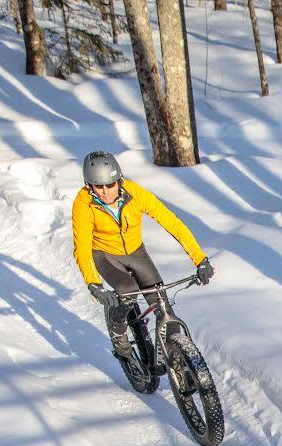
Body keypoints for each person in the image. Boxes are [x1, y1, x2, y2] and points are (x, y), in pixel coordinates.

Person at [71, 150, 213, 364]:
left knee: (162, 303)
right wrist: (94, 284)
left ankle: (180, 364)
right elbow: (81, 247)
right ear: (90, 187)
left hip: (136, 252)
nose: (106, 191)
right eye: (98, 187)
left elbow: (171, 222)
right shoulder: (83, 204)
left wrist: (200, 260)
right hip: (104, 254)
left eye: (110, 184)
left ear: (118, 180)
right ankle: (118, 328)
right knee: (127, 290)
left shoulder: (135, 193)